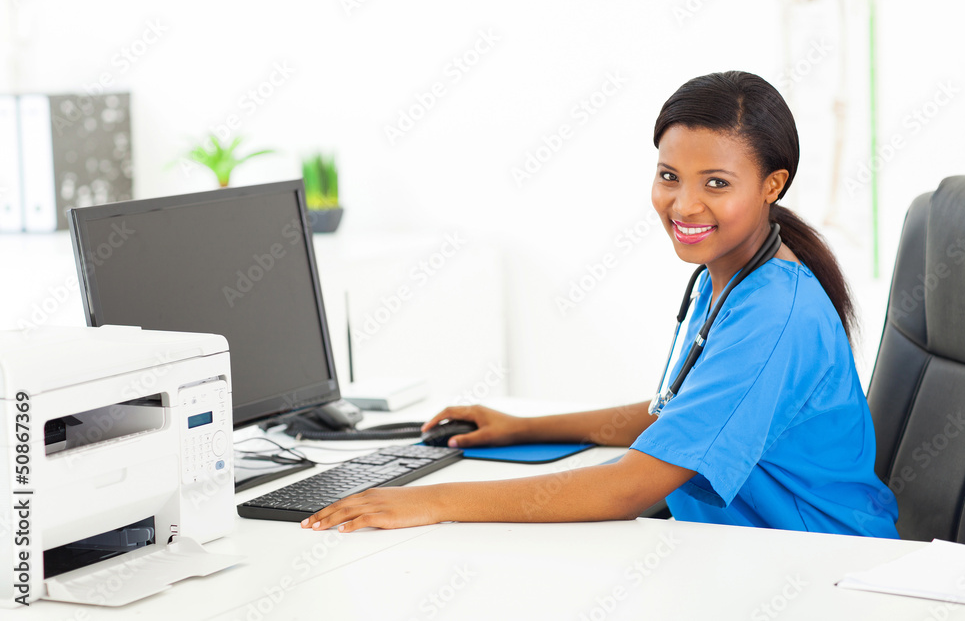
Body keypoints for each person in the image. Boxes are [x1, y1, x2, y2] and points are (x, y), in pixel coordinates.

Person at [301, 71, 900, 538]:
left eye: (716, 183)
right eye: (670, 175)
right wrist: (524, 428)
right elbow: (683, 417)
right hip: (742, 546)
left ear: (772, 185)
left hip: (818, 560)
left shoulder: (774, 315)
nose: (685, 205)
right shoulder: (735, 274)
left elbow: (631, 489)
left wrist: (428, 501)